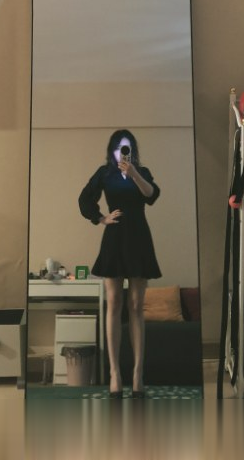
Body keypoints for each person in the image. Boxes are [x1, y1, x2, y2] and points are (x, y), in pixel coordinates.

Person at [78, 129, 161, 398]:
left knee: (136, 305)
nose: (122, 153)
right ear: (112, 150)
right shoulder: (104, 173)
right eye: (118, 148)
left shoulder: (142, 172)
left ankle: (137, 374)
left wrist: (134, 173)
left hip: (139, 238)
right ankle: (115, 373)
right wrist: (101, 218)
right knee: (114, 302)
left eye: (127, 148)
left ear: (132, 150)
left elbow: (152, 195)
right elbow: (84, 199)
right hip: (114, 239)